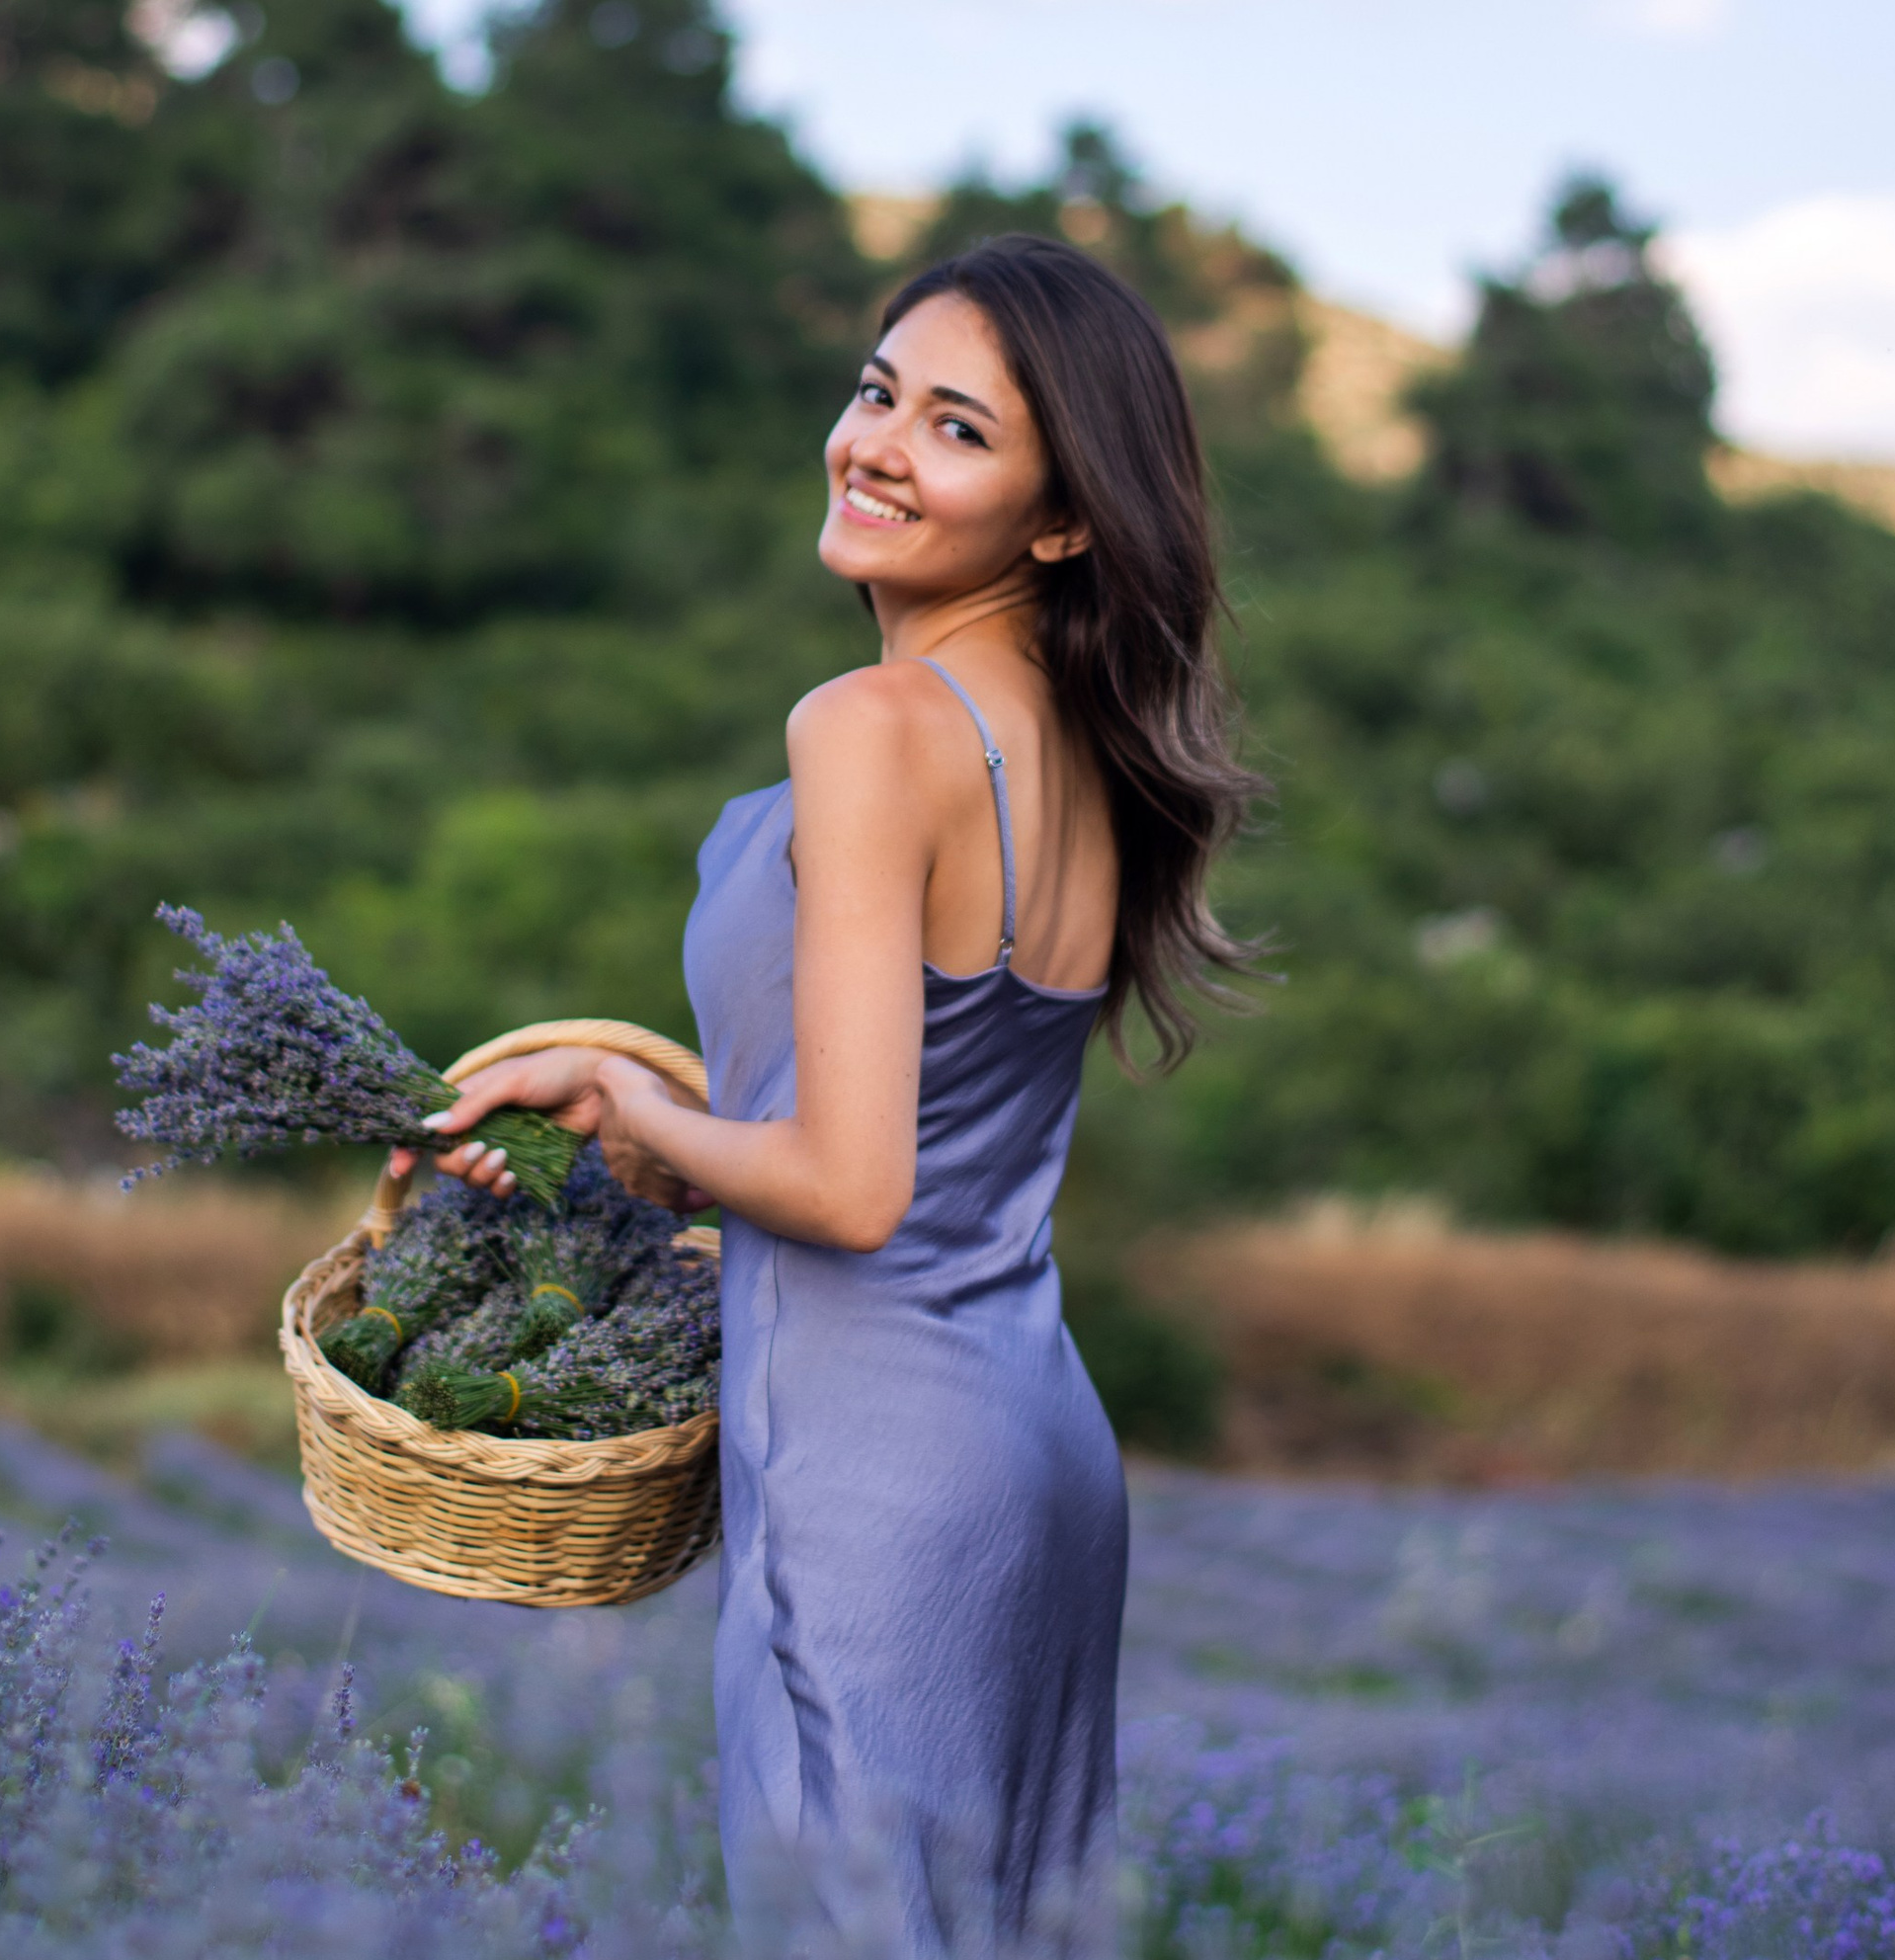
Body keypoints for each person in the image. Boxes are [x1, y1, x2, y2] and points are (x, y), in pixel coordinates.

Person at [395, 233, 1259, 1954]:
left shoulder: (872, 728)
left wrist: (620, 1100)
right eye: (879, 394)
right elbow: (906, 1137)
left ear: (1061, 520)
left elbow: (852, 1190)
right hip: (1029, 1446)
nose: (877, 445)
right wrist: (658, 1146)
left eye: (957, 429)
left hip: (875, 1467)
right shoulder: (1072, 748)